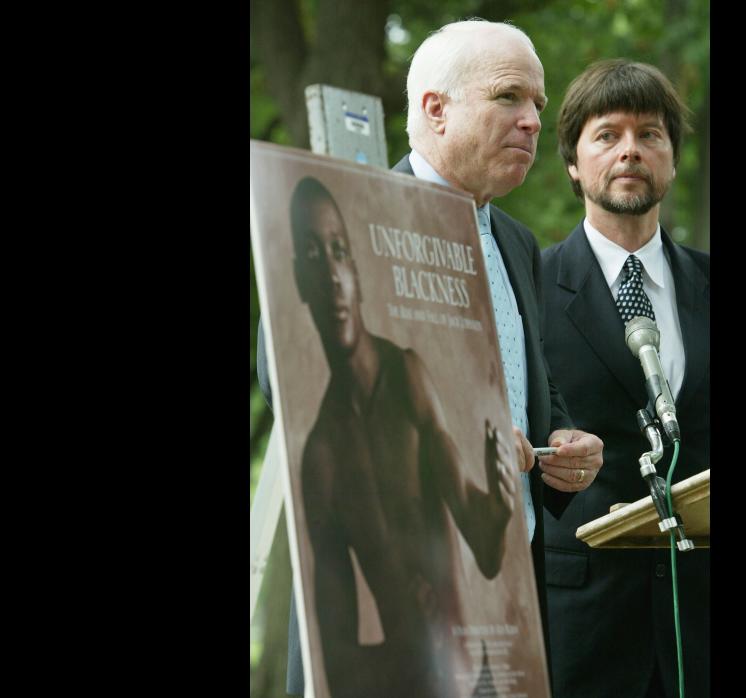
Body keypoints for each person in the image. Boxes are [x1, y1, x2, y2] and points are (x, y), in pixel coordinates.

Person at [262, 19, 605, 695]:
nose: (534, 120)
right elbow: (285, 372)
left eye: (538, 103)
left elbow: (532, 387)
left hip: (505, 626)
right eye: (509, 96)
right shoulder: (347, 218)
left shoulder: (516, 243)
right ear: (435, 109)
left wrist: (561, 446)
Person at [284, 176, 519, 696]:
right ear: (300, 279)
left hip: (476, 680)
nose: (330, 274)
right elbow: (337, 657)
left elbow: (483, 547)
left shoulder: (407, 377)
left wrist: (498, 510)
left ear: (357, 274)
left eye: (338, 250)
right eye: (312, 254)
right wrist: (404, 651)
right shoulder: (320, 457)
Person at [540, 59, 710, 698]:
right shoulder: (527, 284)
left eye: (650, 134)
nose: (630, 150)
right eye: (607, 134)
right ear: (573, 163)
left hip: (699, 622)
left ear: (671, 158)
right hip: (582, 628)